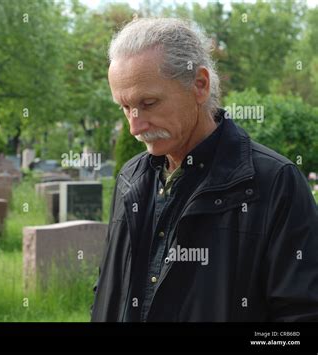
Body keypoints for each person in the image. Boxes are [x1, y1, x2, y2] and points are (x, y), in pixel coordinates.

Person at [91, 18, 318, 322]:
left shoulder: (275, 183)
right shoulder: (129, 179)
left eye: (148, 103)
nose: (134, 126)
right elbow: (108, 292)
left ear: (199, 84)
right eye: (124, 106)